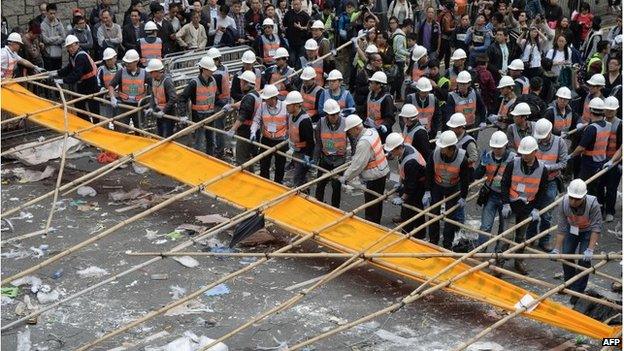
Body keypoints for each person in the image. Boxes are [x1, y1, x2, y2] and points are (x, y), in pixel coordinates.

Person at [499, 136, 548, 275]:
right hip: (512, 204)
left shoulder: (542, 169)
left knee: (521, 238)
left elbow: (542, 191)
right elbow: (504, 183)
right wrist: (505, 204)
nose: (525, 156)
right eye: (523, 153)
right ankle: (500, 261)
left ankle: (518, 261)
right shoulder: (513, 164)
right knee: (507, 237)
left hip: (527, 207)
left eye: (527, 153)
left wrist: (537, 208)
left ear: (535, 152)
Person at [551, 179, 602, 301]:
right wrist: (557, 249)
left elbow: (596, 228)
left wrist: (590, 249)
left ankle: (578, 291)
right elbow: (562, 227)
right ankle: (568, 284)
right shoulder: (563, 202)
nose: (573, 201)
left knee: (584, 261)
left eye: (577, 199)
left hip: (588, 231)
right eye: (571, 198)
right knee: (566, 255)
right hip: (572, 229)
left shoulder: (593, 204)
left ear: (584, 197)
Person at [339, 114, 389, 224]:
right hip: (382, 171)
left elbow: (358, 165)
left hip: (374, 176)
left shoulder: (363, 142)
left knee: (371, 205)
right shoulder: (372, 132)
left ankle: (372, 227)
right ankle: (376, 224)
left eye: (350, 131)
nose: (349, 134)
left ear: (356, 128)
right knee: (377, 202)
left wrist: (346, 177)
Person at [527, 119, 568, 251]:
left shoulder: (559, 142)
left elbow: (563, 163)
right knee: (532, 211)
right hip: (534, 182)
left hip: (550, 181)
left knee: (546, 214)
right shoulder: (533, 141)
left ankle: (544, 240)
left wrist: (547, 168)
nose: (542, 139)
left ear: (549, 132)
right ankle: (530, 237)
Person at [426, 130, 470, 249]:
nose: (440, 149)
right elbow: (429, 172)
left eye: (443, 147)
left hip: (453, 188)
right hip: (437, 186)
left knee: (450, 217)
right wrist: (427, 190)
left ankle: (447, 244)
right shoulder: (435, 154)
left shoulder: (462, 159)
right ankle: (433, 241)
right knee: (434, 214)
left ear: (450, 148)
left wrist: (463, 196)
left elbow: (465, 180)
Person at [474, 131, 516, 246]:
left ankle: (499, 253)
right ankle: (481, 249)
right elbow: (477, 175)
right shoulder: (488, 156)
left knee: (503, 230)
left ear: (505, 146)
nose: (496, 150)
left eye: (499, 148)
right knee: (485, 226)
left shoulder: (513, 159)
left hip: (506, 197)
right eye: (494, 147)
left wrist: (508, 202)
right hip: (491, 195)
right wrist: (482, 164)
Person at [385, 132, 427, 237]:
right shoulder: (405, 148)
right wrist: (400, 182)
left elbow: (411, 186)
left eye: (392, 150)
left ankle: (410, 234)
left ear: (398, 147)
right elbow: (402, 168)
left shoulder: (410, 162)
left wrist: (403, 198)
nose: (390, 153)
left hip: (419, 184)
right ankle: (419, 233)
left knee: (412, 208)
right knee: (412, 208)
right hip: (413, 179)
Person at [177, 56, 221, 155]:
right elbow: (182, 98)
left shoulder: (213, 81)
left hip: (211, 116)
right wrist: (183, 114)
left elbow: (216, 97)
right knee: (199, 142)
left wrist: (223, 106)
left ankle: (210, 160)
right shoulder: (194, 83)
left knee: (211, 141)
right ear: (204, 69)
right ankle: (198, 162)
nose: (212, 72)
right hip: (198, 117)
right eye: (210, 70)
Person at [568, 98, 611, 197]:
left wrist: (570, 156)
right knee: (596, 187)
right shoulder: (608, 125)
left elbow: (581, 148)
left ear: (591, 112)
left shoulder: (591, 128)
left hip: (589, 164)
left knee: (584, 187)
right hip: (601, 161)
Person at [314, 99, 353, 208]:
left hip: (339, 161)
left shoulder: (345, 122)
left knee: (336, 187)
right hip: (325, 158)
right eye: (332, 115)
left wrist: (354, 156)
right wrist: (315, 159)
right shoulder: (320, 123)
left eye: (336, 114)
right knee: (320, 184)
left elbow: (353, 140)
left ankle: (335, 208)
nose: (334, 117)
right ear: (326, 114)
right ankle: (318, 205)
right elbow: (318, 143)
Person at [54, 34, 99, 120]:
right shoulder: (74, 56)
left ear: (77, 44)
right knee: (79, 103)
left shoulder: (81, 56)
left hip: (91, 83)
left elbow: (77, 74)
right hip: (83, 83)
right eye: (68, 47)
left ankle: (96, 126)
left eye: (72, 46)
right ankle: (85, 123)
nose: (70, 49)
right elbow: (69, 68)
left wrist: (64, 81)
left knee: (93, 106)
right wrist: (57, 73)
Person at [251, 84, 289, 183]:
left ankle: (278, 184)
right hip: (266, 139)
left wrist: (289, 137)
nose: (265, 101)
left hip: (280, 141)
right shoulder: (262, 107)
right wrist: (253, 132)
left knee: (280, 165)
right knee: (264, 164)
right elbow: (256, 120)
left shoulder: (285, 107)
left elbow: (291, 123)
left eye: (267, 99)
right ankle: (264, 183)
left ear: (273, 98)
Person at [107, 49, 151, 132]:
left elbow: (154, 86)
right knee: (121, 129)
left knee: (140, 130)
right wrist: (112, 97)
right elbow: (111, 86)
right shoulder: (121, 72)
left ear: (136, 62)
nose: (127, 64)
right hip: (124, 105)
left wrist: (150, 101)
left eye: (129, 63)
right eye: (126, 62)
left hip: (138, 106)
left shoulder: (144, 73)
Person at [227, 70, 260, 167]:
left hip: (246, 131)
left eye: (242, 82)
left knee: (242, 158)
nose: (240, 84)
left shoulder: (249, 98)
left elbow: (242, 116)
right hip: (254, 130)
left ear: (246, 83)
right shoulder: (255, 94)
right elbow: (242, 103)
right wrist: (231, 106)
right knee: (249, 158)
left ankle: (243, 178)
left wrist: (233, 129)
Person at [284, 91, 315, 187]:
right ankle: (304, 190)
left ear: (296, 105)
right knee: (301, 177)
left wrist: (308, 156)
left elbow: (310, 142)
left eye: (289, 105)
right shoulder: (291, 116)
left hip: (303, 153)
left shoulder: (304, 121)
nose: (287, 107)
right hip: (295, 151)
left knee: (298, 177)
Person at [600, 97, 621, 222]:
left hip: (615, 161)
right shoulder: (600, 122)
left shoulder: (620, 124)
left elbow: (621, 147)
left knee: (612, 188)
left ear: (616, 111)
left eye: (611, 110)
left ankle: (610, 211)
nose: (609, 113)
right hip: (601, 160)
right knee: (600, 186)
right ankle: (601, 209)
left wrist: (614, 161)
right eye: (607, 110)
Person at [207, 48, 231, 158]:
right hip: (225, 101)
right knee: (221, 128)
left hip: (219, 104)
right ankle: (222, 148)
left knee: (218, 129)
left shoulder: (215, 75)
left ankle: (219, 151)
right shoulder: (225, 68)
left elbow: (215, 94)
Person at [144, 59, 177, 138]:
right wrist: (151, 107)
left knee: (168, 135)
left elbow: (173, 98)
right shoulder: (153, 80)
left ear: (157, 71)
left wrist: (164, 111)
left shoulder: (167, 81)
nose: (149, 74)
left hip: (168, 112)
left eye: (151, 72)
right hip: (158, 110)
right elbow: (153, 94)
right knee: (160, 133)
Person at [366, 71, 395, 142]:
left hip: (381, 131)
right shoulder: (370, 94)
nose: (370, 84)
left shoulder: (387, 98)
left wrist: (384, 125)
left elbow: (390, 117)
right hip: (370, 128)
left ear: (379, 85)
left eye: (372, 83)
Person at [283, 0, 311, 66]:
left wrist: (302, 28)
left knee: (300, 60)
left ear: (301, 4)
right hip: (291, 42)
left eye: (297, 4)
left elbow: (309, 28)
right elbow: (284, 24)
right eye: (294, 4)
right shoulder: (288, 13)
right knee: (292, 60)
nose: (296, 6)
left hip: (301, 42)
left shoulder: (305, 15)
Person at [97, 47, 121, 119]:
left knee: (118, 120)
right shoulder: (101, 70)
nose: (109, 62)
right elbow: (98, 82)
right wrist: (101, 89)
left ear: (115, 58)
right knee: (105, 119)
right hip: (106, 99)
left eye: (110, 59)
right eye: (107, 60)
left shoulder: (121, 69)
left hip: (118, 98)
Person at [40, 3, 65, 71]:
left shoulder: (59, 23)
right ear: (47, 13)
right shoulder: (43, 25)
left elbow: (63, 38)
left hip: (58, 54)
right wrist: (57, 37)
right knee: (49, 74)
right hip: (48, 55)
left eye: (54, 13)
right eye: (51, 13)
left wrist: (51, 41)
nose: (53, 15)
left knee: (58, 73)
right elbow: (45, 40)